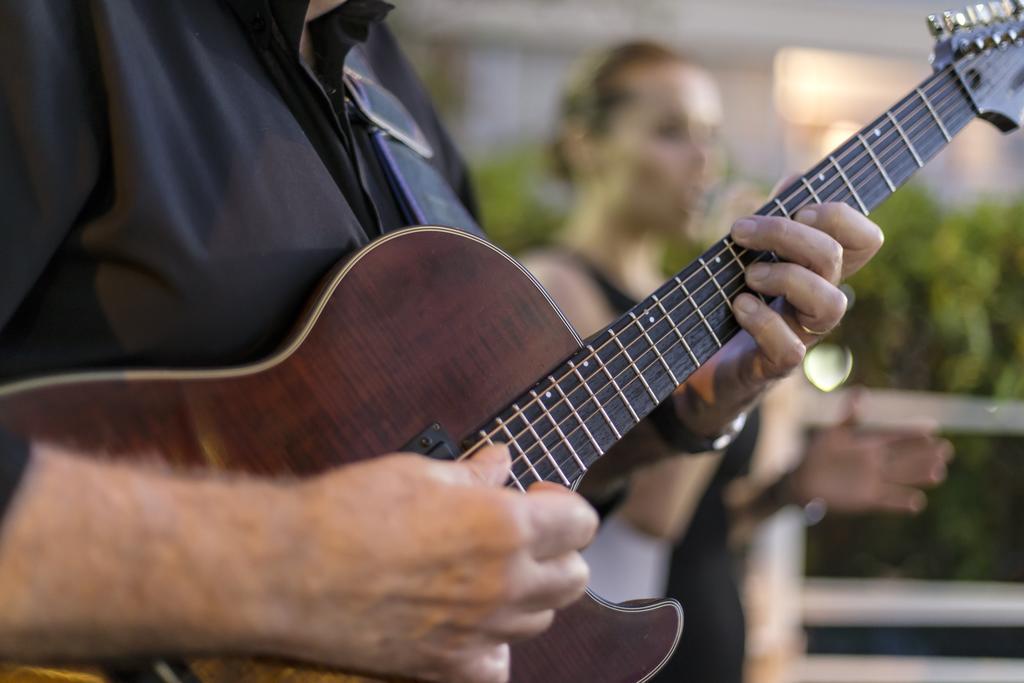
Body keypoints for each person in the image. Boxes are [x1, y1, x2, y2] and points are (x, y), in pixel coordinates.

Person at [0, 5, 882, 683]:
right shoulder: (60, 28)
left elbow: (484, 454)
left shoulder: (390, 91)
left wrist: (694, 403)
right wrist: (300, 563)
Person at [524, 41, 952, 683]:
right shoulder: (551, 288)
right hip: (611, 661)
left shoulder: (678, 306)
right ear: (587, 143)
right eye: (671, 133)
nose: (704, 159)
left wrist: (794, 489)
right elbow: (647, 518)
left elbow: (710, 528)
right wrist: (733, 311)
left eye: (711, 135)